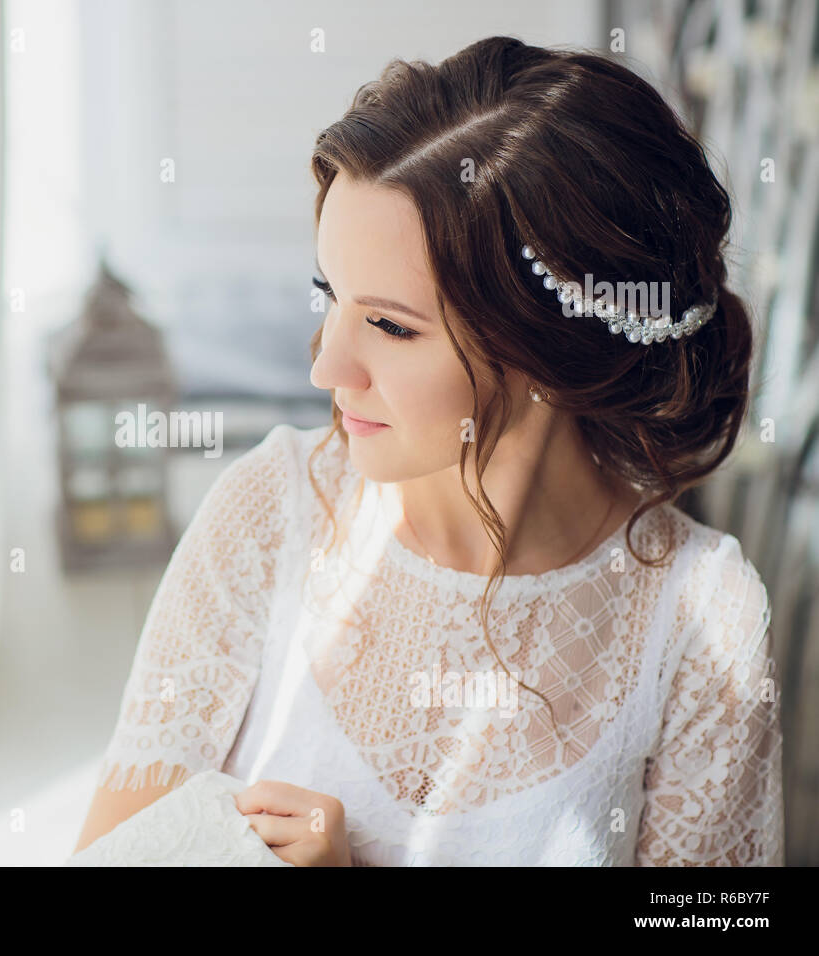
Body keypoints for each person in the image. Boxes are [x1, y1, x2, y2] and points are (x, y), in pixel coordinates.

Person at [74, 36, 783, 866]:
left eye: (389, 325)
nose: (324, 366)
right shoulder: (271, 513)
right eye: (329, 295)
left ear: (550, 348)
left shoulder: (704, 624)